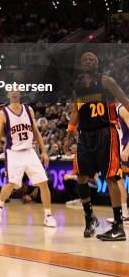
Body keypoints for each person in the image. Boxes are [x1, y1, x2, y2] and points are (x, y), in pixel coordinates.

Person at [64, 51, 129, 241]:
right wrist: (69, 134)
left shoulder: (107, 81)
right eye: (84, 59)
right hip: (85, 135)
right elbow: (76, 110)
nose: (88, 62)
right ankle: (89, 217)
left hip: (105, 132)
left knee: (111, 177)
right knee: (81, 176)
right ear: (81, 64)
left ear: (98, 63)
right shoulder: (78, 86)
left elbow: (125, 101)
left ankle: (118, 226)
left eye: (92, 59)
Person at [0, 91, 57, 228]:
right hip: (14, 152)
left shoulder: (29, 110)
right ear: (8, 95)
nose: (14, 93)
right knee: (11, 183)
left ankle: (48, 216)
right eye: (12, 91)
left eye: (17, 90)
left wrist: (44, 151)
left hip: (29, 151)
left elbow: (36, 132)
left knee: (43, 183)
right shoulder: (4, 113)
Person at [106, 102, 129, 226]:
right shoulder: (111, 110)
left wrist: (127, 148)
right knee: (118, 179)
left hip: (126, 147)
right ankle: (124, 213)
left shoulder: (122, 108)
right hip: (120, 148)